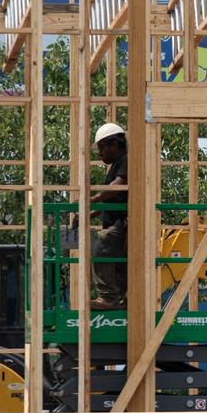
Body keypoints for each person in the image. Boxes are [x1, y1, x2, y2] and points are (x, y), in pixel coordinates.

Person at [90, 122, 128, 311]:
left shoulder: (126, 160)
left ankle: (109, 297)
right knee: (119, 264)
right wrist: (90, 215)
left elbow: (119, 185)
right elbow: (109, 201)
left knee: (101, 248)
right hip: (115, 221)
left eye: (101, 148)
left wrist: (94, 198)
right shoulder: (115, 165)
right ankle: (122, 299)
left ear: (113, 144)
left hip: (123, 222)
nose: (99, 153)